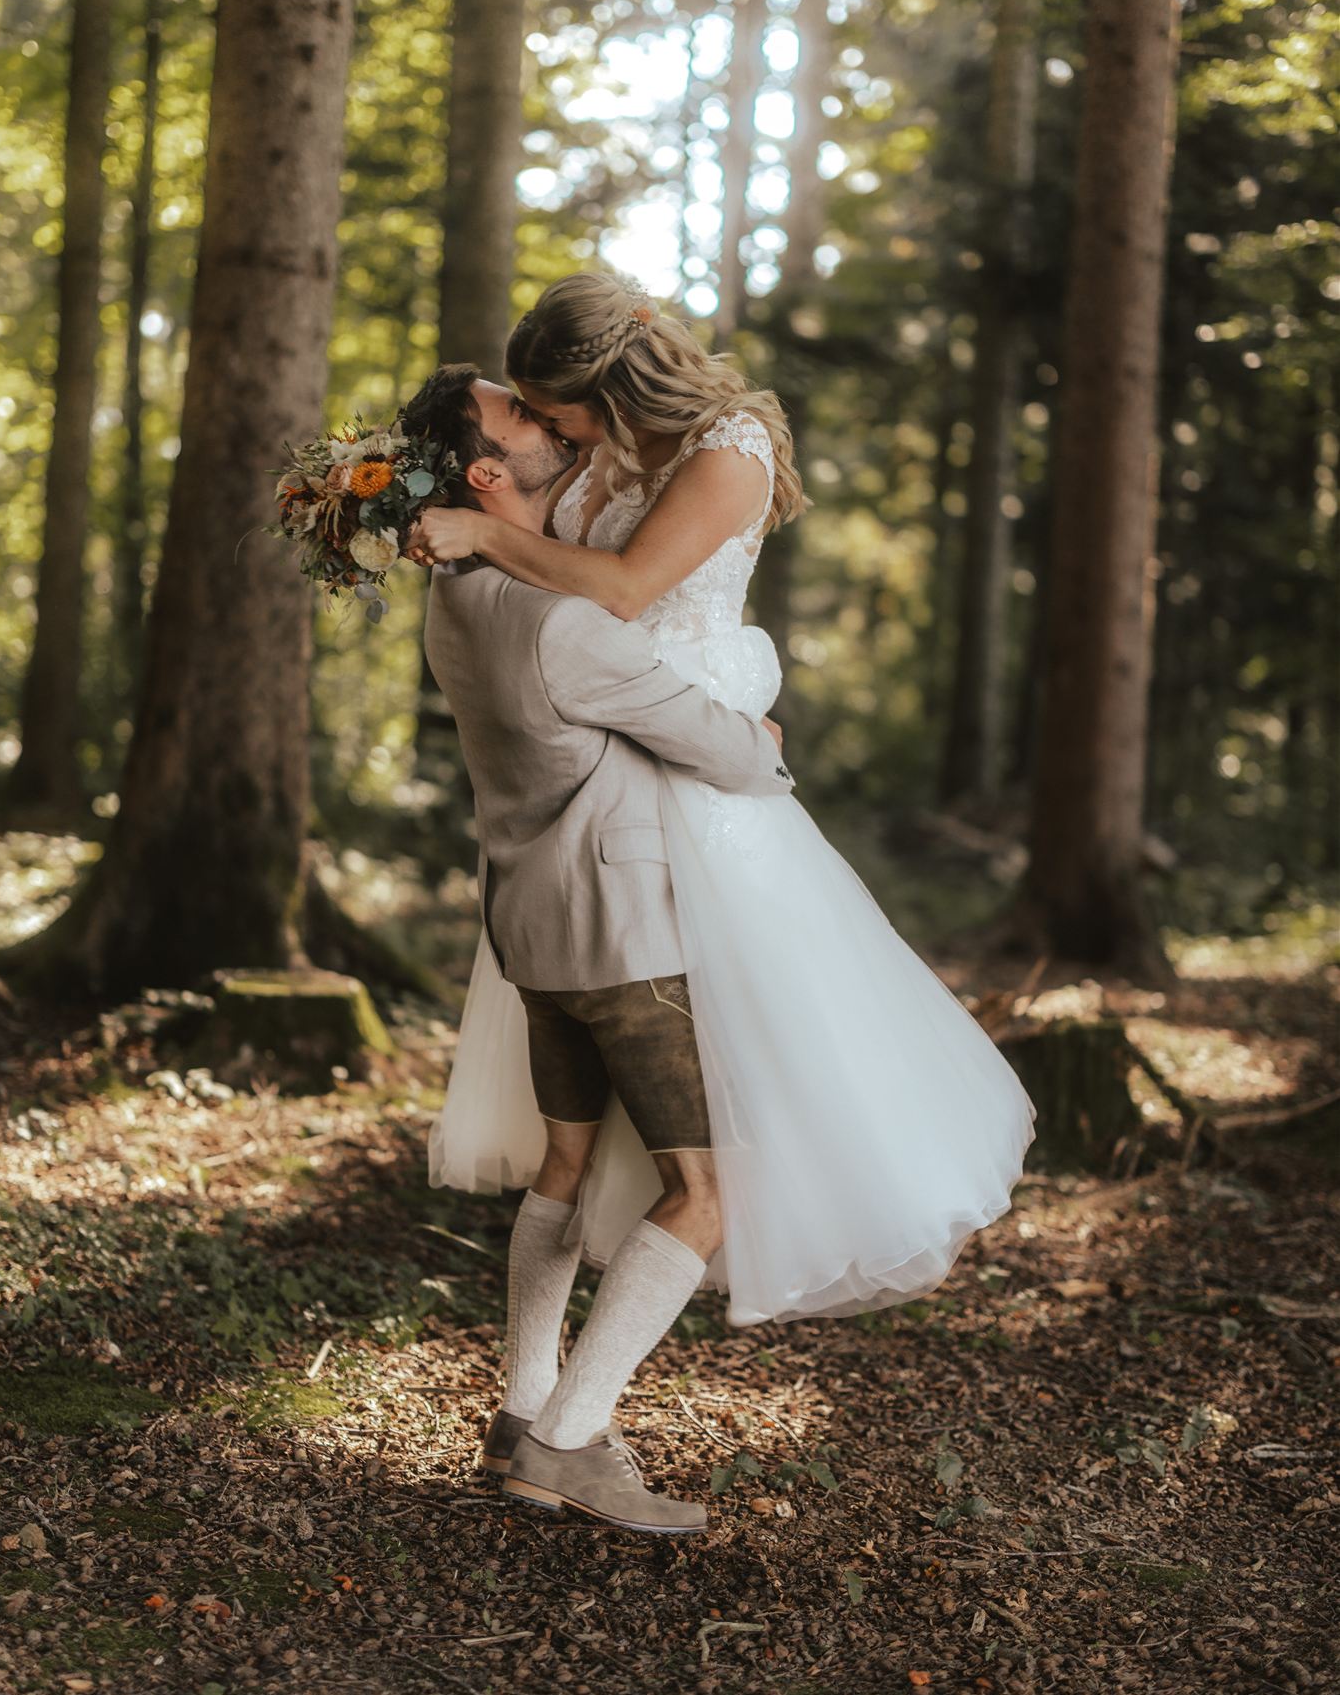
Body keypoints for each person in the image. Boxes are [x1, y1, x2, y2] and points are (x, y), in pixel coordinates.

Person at [412, 271, 1035, 1340]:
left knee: (761, 1071)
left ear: (604, 391)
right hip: (599, 782)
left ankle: (598, 1372)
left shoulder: (725, 454)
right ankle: (547, 1412)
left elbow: (618, 589)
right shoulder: (597, 453)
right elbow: (529, 536)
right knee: (580, 1139)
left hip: (692, 780)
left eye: (550, 403)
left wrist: (481, 536)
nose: (548, 424)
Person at [409, 363, 793, 1534]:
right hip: (626, 945)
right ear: (488, 471)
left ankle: (521, 1410)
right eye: (517, 414)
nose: (541, 416)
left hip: (531, 939)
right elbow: (726, 753)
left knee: (563, 1172)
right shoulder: (565, 624)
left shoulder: (455, 600)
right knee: (705, 1191)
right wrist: (764, 735)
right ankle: (571, 1441)